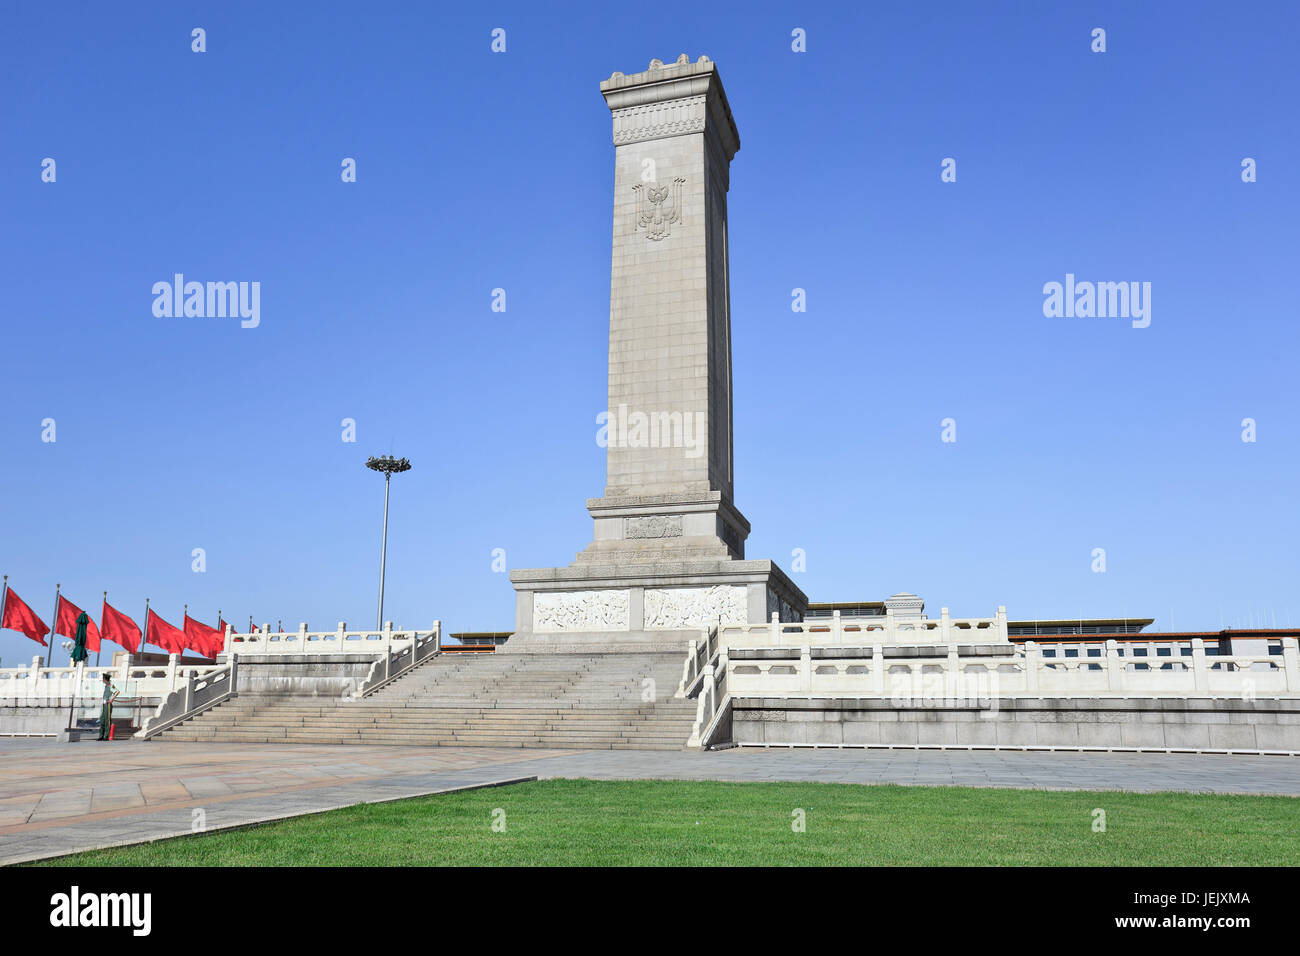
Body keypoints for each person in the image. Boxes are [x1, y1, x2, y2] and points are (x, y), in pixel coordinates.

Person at [98, 673, 119, 741]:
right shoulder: (106, 685)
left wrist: (111, 699)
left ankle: (106, 736)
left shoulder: (110, 684)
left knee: (107, 720)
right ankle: (101, 735)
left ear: (105, 679)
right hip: (104, 704)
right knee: (102, 720)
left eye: (103, 679)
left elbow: (117, 691)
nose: (102, 680)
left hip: (108, 704)